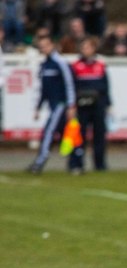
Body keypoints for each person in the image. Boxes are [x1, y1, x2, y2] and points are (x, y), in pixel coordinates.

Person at [26, 30, 74, 175]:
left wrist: (71, 104)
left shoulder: (60, 62)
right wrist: (38, 107)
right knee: (65, 135)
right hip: (52, 104)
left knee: (48, 132)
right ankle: (75, 163)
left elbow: (69, 84)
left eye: (46, 46)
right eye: (41, 46)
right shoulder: (44, 65)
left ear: (52, 45)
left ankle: (41, 161)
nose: (43, 49)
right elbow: (44, 90)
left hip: (60, 104)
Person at [68, 37, 110, 174]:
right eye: (84, 47)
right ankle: (76, 164)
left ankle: (100, 164)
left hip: (98, 105)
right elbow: (71, 87)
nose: (86, 50)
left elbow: (106, 87)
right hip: (81, 106)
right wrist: (72, 105)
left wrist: (108, 104)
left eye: (88, 47)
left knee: (99, 136)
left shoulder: (100, 65)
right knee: (79, 136)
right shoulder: (75, 66)